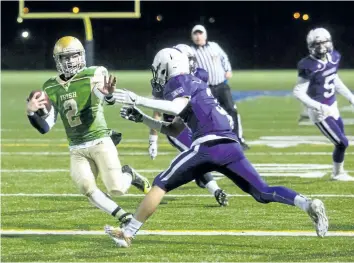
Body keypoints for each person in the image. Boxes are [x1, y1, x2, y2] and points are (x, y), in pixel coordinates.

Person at [106, 48, 328, 247]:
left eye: (158, 70)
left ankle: (128, 232)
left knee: (160, 183)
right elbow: (174, 129)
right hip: (230, 145)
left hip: (208, 146)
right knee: (262, 191)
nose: (157, 76)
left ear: (168, 67)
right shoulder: (197, 85)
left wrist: (138, 100)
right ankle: (307, 204)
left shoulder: (178, 81)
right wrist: (143, 118)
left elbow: (175, 106)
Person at [26, 36, 151, 227]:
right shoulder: (50, 87)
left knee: (117, 188)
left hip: (99, 140)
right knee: (86, 187)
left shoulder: (93, 74)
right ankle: (123, 217)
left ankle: (130, 175)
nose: (70, 61)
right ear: (57, 60)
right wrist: (31, 113)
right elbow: (46, 127)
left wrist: (108, 95)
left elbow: (102, 97)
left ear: (82, 57)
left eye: (74, 56)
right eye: (65, 58)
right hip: (77, 148)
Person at [148, 44, 228, 206]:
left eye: (192, 60)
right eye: (188, 60)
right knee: (197, 156)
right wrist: (152, 141)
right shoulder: (164, 82)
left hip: (196, 124)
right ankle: (215, 190)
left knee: (205, 157)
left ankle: (203, 180)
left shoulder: (198, 76)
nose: (191, 64)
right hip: (176, 127)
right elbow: (157, 111)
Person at [293, 28, 354, 181]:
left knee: (341, 142)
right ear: (310, 45)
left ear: (330, 41)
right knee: (342, 142)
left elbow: (334, 79)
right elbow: (298, 91)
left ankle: (338, 172)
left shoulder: (334, 57)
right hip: (320, 112)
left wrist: (350, 96)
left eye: (323, 42)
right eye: (316, 43)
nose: (321, 46)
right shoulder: (308, 65)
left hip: (333, 106)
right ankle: (337, 173)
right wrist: (319, 107)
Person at [190, 25, 249, 150]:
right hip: (206, 90)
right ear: (192, 36)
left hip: (222, 85)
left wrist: (228, 70)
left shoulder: (214, 46)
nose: (198, 36)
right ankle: (210, 143)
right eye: (195, 34)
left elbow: (224, 58)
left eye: (200, 33)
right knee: (208, 117)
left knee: (231, 111)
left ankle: (238, 140)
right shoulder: (190, 51)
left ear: (205, 35)